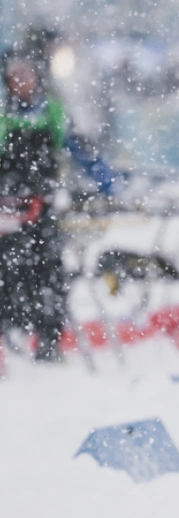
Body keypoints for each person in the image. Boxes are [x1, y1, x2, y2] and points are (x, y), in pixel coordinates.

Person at [0, 48, 117, 362]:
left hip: (42, 209)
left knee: (49, 275)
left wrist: (110, 185)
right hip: (7, 214)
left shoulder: (53, 112)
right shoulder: (3, 114)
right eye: (15, 75)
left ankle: (48, 341)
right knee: (7, 275)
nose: (22, 81)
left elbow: (83, 152)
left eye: (27, 73)